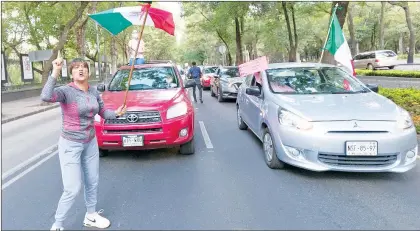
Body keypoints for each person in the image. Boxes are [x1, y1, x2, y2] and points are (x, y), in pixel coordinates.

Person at [41, 57, 127, 231]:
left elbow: (103, 112)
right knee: (72, 188)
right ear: (71, 73)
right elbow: (46, 96)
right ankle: (58, 224)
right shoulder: (66, 91)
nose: (81, 70)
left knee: (92, 181)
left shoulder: (93, 91)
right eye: (76, 68)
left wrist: (116, 113)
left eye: (84, 67)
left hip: (90, 142)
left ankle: (91, 215)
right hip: (70, 144)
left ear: (88, 72)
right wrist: (55, 71)